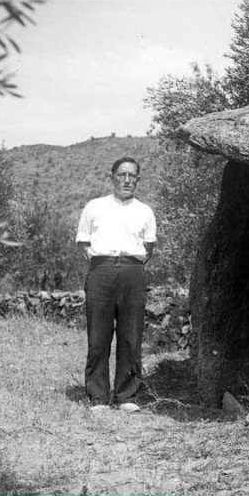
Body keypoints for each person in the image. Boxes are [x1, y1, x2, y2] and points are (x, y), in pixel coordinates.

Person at [76, 157, 156, 412]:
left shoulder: (145, 211)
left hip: (133, 271)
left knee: (131, 335)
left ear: (138, 180)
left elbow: (149, 247)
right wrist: (99, 260)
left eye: (132, 176)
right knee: (98, 336)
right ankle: (98, 396)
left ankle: (126, 396)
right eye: (122, 175)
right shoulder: (94, 206)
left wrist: (129, 263)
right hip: (101, 270)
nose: (127, 180)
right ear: (111, 177)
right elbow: (83, 241)